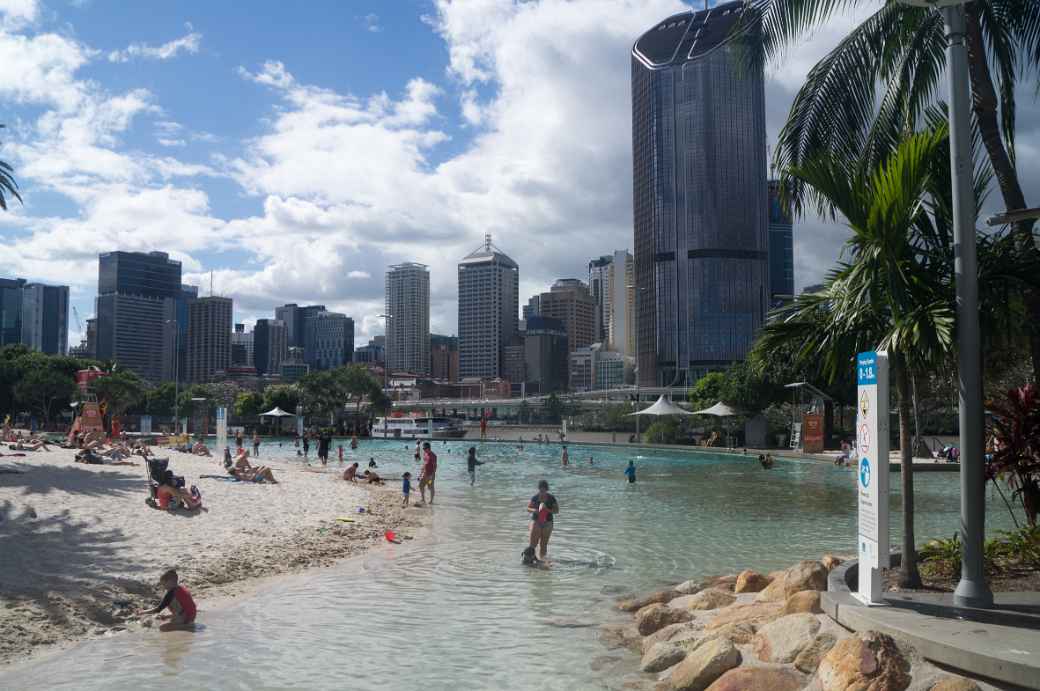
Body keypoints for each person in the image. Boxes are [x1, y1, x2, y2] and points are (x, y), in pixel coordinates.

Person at [527, 480, 559, 562]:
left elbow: (556, 511)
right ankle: (530, 559)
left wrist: (547, 510)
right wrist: (534, 510)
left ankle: (542, 560)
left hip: (548, 522)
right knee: (533, 544)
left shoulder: (551, 498)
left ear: (547, 490)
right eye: (541, 491)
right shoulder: (535, 497)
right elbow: (528, 508)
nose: (542, 493)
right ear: (539, 489)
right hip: (536, 521)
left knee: (543, 544)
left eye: (544, 491)